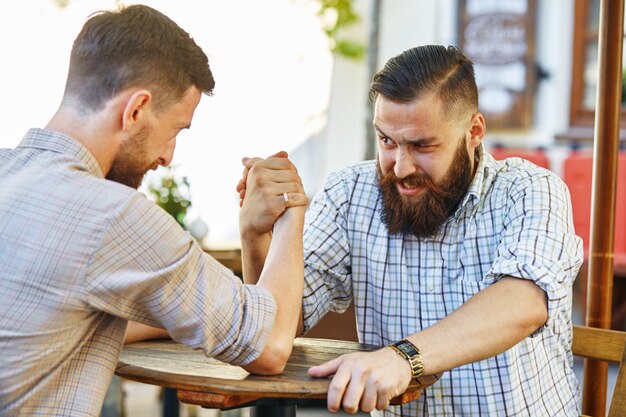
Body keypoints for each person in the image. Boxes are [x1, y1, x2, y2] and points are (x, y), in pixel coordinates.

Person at [238, 45, 584, 416]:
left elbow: (524, 303)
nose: (400, 167)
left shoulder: (531, 190)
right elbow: (274, 331)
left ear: (474, 131)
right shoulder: (348, 193)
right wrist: (256, 235)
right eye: (387, 140)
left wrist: (405, 359)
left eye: (422, 145)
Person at [0, 5, 307, 416]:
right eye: (175, 130)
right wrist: (291, 209)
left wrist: (192, 316)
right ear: (136, 109)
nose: (167, 156)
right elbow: (269, 345)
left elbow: (51, 325)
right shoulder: (111, 214)